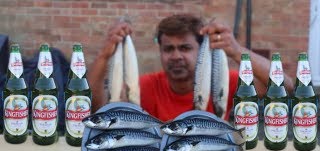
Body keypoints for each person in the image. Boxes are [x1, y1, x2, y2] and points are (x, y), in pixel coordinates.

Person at [87, 13, 294, 122]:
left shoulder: (225, 81)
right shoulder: (145, 86)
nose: (176, 56)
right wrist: (105, 55)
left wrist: (236, 50)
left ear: (201, 49)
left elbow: (285, 86)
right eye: (168, 49)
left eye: (185, 48)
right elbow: (99, 107)